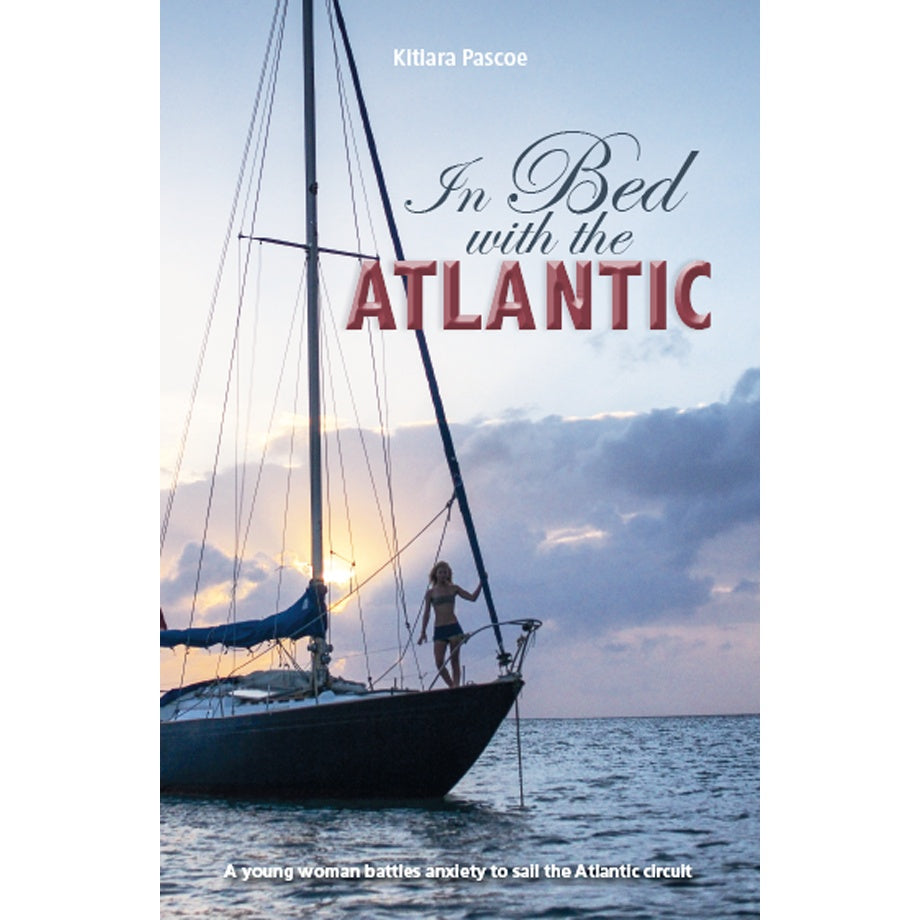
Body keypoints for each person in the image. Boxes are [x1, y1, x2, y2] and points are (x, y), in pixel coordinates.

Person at [418, 561, 482, 688]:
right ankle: (451, 685)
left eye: (445, 572)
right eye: (440, 572)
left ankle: (456, 685)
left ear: (448, 574)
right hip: (439, 629)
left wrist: (481, 583)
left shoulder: (454, 588)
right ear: (435, 574)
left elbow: (472, 598)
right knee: (439, 662)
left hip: (453, 627)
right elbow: (427, 613)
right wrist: (423, 632)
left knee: (454, 660)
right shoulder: (430, 593)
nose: (443, 575)